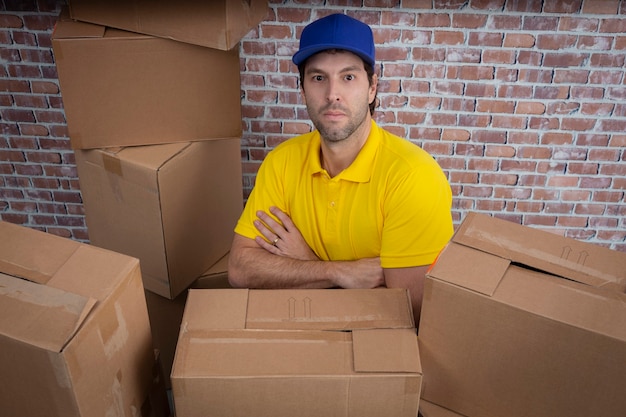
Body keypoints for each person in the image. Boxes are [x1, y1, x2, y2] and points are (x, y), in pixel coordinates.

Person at [228, 13, 453, 327]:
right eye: (318, 78)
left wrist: (301, 266)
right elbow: (240, 269)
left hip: (376, 352)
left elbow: (409, 314)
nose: (333, 93)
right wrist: (335, 271)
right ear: (303, 90)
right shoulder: (281, 162)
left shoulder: (413, 176)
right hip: (299, 331)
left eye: (348, 77)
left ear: (372, 88)